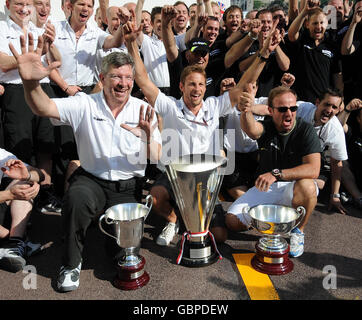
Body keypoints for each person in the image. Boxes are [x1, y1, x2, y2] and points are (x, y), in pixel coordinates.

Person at [10, 35, 162, 292]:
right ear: (102, 79)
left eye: (127, 77)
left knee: (120, 255)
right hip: (91, 180)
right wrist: (29, 81)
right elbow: (43, 106)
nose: (123, 83)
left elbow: (156, 157)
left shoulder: (143, 110)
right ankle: (71, 264)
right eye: (116, 77)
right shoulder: (84, 104)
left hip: (127, 188)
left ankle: (113, 243)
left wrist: (147, 137)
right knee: (76, 198)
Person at [124, 18, 279, 247]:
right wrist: (130, 46)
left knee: (219, 236)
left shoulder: (214, 106)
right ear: (181, 87)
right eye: (191, 84)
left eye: (200, 85)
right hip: (176, 174)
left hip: (205, 179)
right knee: (154, 196)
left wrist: (263, 55)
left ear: (205, 88)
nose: (196, 89)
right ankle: (174, 220)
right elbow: (143, 80)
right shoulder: (170, 106)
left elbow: (244, 83)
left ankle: (193, 217)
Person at [226, 85, 322, 258]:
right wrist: (246, 110)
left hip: (293, 188)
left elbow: (314, 169)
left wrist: (277, 173)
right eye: (283, 109)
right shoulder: (268, 126)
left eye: (293, 108)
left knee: (308, 186)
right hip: (266, 188)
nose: (289, 113)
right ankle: (273, 223)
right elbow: (252, 129)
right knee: (232, 221)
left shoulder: (305, 130)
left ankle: (297, 232)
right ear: (270, 110)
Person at [49, 0, 128, 196]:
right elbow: (48, 64)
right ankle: (60, 195)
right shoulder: (55, 29)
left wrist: (124, 27)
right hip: (61, 90)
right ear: (70, 6)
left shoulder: (95, 33)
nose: (85, 9)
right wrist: (66, 88)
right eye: (81, 4)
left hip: (87, 93)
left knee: (82, 143)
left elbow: (114, 42)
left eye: (89, 6)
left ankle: (78, 192)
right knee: (62, 144)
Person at [0, 0, 61, 214]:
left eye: (28, 4)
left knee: (46, 146)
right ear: (7, 4)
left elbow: (57, 60)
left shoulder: (38, 29)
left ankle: (45, 194)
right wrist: (24, 61)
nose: (24, 8)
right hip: (16, 92)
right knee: (19, 148)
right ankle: (20, 200)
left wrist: (50, 44)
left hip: (42, 90)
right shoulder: (1, 28)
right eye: (19, 3)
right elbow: (2, 62)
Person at [297, 89, 350, 214]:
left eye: (334, 107)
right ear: (317, 102)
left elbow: (337, 163)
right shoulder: (300, 108)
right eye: (327, 104)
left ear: (338, 110)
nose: (329, 110)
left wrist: (335, 196)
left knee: (318, 185)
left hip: (312, 159)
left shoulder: (336, 130)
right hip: (289, 153)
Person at [287, 1, 343, 103]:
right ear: (307, 24)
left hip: (322, 102)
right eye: (315, 23)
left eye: (322, 23)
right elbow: (291, 34)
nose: (318, 27)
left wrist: (340, 99)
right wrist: (304, 13)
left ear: (327, 24)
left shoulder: (331, 45)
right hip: (300, 101)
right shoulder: (302, 38)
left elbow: (337, 76)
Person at [0, 149, 44, 273]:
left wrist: (28, 175)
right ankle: (15, 241)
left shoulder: (1, 155)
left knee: (26, 184)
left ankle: (13, 245)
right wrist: (9, 194)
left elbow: (40, 174)